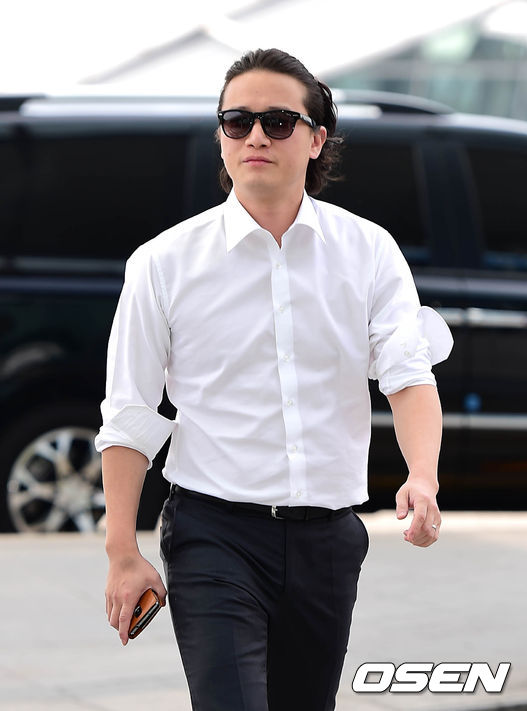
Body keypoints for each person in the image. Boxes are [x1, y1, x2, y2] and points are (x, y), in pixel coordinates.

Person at [96, 48, 453, 711]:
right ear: (222, 137)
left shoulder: (369, 251)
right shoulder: (162, 263)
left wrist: (423, 476)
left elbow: (408, 376)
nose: (256, 136)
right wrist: (123, 551)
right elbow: (130, 414)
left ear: (317, 140)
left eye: (279, 121)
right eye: (237, 121)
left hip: (329, 538)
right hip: (212, 535)